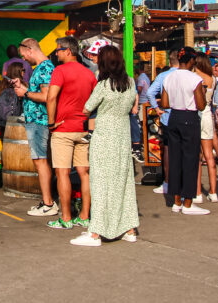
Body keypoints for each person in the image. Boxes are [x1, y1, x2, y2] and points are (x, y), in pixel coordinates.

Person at [70, 45, 140, 246]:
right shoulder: (130, 83)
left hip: (104, 135)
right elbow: (130, 107)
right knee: (123, 181)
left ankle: (96, 232)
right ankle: (129, 228)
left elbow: (87, 108)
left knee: (100, 183)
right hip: (122, 135)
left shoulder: (103, 85)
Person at [45, 36, 97, 230]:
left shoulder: (59, 71)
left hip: (63, 129)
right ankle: (84, 215)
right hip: (83, 128)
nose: (56, 53)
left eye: (58, 50)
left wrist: (51, 122)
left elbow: (51, 97)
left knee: (62, 173)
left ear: (68, 51)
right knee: (84, 173)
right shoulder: (89, 74)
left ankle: (66, 217)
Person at [161, 47, 210, 215]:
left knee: (175, 158)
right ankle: (188, 201)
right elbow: (201, 105)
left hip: (173, 116)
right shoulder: (194, 78)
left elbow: (165, 103)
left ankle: (176, 200)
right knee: (190, 160)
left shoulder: (169, 76)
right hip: (189, 117)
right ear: (191, 61)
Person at [15, 38, 57, 217]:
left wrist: (25, 93)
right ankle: (46, 201)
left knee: (41, 161)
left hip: (40, 120)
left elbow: (47, 96)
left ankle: (48, 203)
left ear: (30, 49)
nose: (24, 59)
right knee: (40, 160)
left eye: (23, 55)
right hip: (36, 120)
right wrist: (24, 88)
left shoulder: (45, 68)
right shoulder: (41, 68)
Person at [148, 50, 180, 194]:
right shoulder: (188, 75)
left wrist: (156, 107)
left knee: (167, 149)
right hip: (186, 116)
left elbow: (150, 93)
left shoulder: (163, 75)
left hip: (168, 116)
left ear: (169, 62)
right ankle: (183, 184)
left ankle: (167, 182)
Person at [193, 54, 218, 204]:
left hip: (196, 113)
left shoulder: (194, 76)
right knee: (209, 155)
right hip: (208, 114)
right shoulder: (212, 79)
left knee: (198, 156)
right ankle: (213, 191)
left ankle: (197, 193)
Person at [0, 61, 24, 129]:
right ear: (17, 72)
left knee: (4, 138)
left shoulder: (2, 84)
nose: (24, 73)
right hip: (17, 121)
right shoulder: (19, 85)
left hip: (3, 121)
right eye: (23, 71)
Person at [134, 61, 152, 162]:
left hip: (142, 102)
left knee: (141, 124)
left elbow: (139, 89)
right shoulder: (145, 77)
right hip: (145, 102)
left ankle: (142, 143)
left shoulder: (141, 77)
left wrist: (135, 92)